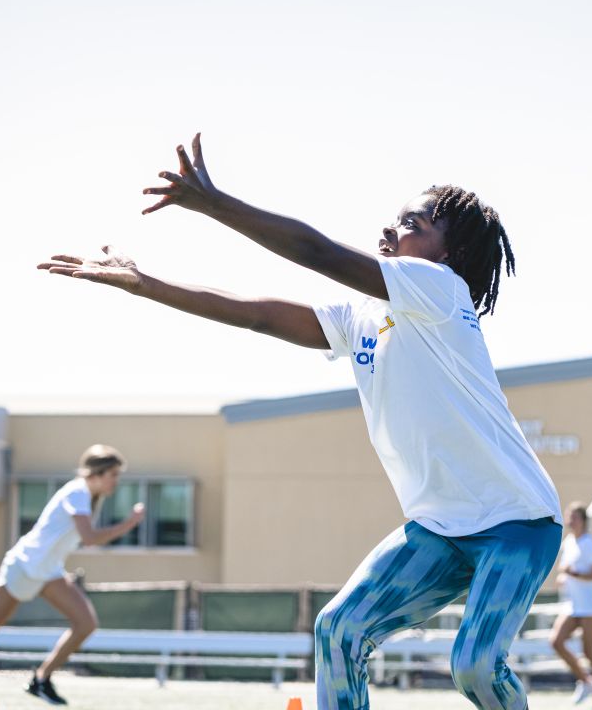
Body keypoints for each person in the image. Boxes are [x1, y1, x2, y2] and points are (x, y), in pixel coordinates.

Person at [38, 134, 563, 710]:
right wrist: (145, 283)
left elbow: (316, 251)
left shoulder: (441, 290)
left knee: (476, 667)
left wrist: (215, 204)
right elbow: (259, 315)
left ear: (449, 252)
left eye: (412, 223)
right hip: (438, 527)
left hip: (517, 522)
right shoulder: (364, 317)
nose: (390, 229)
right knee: (338, 632)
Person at [0, 444, 146, 708]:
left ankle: (41, 679)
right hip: (24, 565)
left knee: (86, 624)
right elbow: (90, 539)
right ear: (97, 473)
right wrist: (130, 523)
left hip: (48, 571)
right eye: (113, 474)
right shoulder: (78, 491)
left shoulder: (89, 497)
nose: (116, 481)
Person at [551, 502, 592, 708]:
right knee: (556, 641)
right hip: (574, 605)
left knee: (589, 651)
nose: (570, 521)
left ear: (584, 521)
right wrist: (565, 578)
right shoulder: (569, 541)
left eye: (575, 517)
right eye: (569, 517)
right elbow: (566, 570)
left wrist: (574, 574)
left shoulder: (589, 543)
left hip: (591, 606)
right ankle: (586, 681)